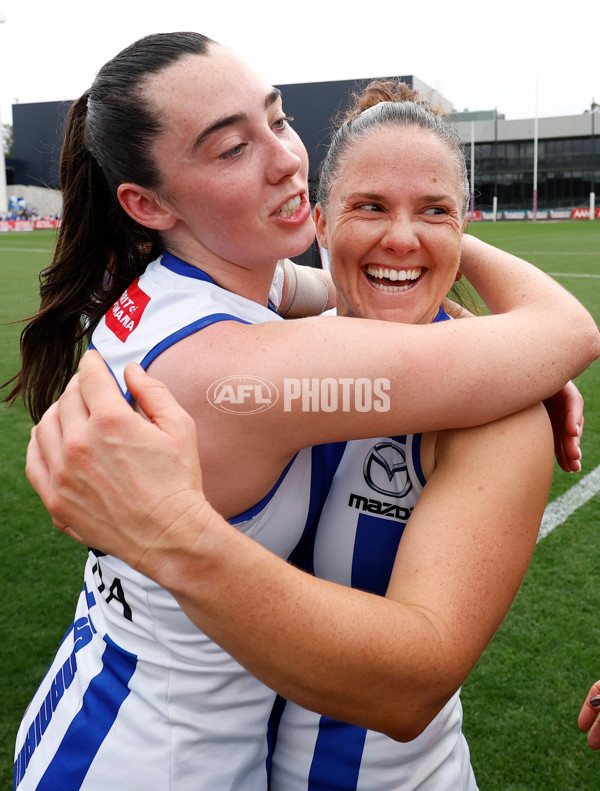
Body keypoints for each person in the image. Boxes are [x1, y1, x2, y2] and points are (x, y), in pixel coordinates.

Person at [9, 32, 599, 791]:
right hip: (150, 764)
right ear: (147, 202)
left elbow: (337, 292)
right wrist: (495, 326)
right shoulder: (242, 369)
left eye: (277, 119)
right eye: (230, 148)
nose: (284, 156)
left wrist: (430, 258)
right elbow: (568, 333)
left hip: (101, 711)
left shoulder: (223, 290)